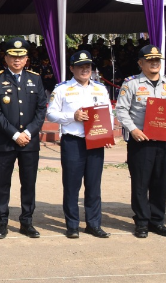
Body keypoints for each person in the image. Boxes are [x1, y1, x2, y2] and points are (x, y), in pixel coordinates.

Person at [113, 45, 166, 238]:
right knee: (140, 182)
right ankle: (142, 221)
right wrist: (133, 130)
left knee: (161, 181)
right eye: (150, 60)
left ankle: (157, 221)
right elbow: (121, 110)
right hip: (141, 139)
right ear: (140, 63)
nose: (154, 63)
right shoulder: (131, 84)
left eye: (157, 60)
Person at [47, 51, 115, 239]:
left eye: (88, 66)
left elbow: (108, 113)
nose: (85, 69)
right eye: (80, 66)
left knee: (94, 185)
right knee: (71, 185)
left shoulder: (100, 89)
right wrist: (72, 116)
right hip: (73, 142)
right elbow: (51, 114)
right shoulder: (62, 89)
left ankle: (93, 224)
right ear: (71, 68)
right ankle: (73, 225)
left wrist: (108, 135)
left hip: (96, 141)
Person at [0, 38, 47, 239]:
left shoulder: (35, 79)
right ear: (6, 58)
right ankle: (2, 222)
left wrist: (28, 133)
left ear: (27, 58)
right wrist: (14, 134)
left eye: (21, 56)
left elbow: (40, 110)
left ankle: (26, 221)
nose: (17, 59)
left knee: (28, 183)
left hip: (30, 141)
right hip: (6, 141)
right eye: (13, 56)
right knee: (2, 184)